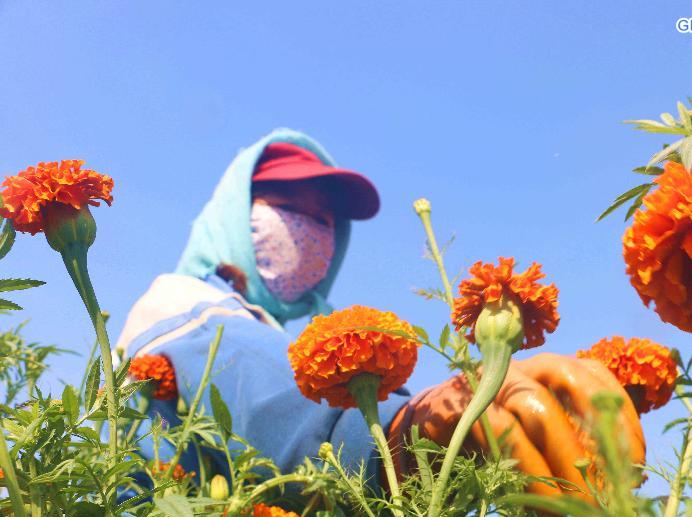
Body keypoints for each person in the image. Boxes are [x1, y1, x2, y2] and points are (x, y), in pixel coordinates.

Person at [117, 128, 644, 495]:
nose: (311, 232)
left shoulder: (261, 324)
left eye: (326, 223)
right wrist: (418, 425)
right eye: (292, 210)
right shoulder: (181, 305)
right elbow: (258, 391)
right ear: (234, 212)